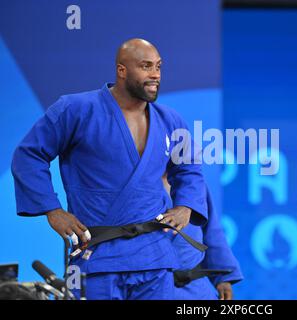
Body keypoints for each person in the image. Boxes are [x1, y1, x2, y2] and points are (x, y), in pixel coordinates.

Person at [11, 38, 208, 300]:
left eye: (159, 67)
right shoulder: (76, 109)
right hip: (97, 256)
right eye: (146, 66)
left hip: (155, 257)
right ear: (121, 70)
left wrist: (185, 206)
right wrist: (52, 210)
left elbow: (188, 168)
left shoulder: (170, 120)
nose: (155, 75)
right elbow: (29, 154)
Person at [162, 174, 243, 300]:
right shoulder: (134, 185)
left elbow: (211, 231)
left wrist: (222, 277)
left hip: (196, 289)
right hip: (149, 286)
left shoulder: (194, 185)